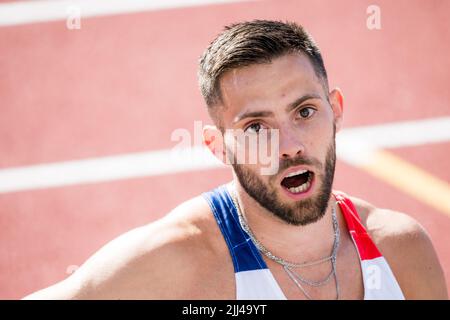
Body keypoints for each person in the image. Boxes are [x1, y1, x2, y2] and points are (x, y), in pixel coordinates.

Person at [24, 20, 447, 300]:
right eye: (256, 128)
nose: (289, 145)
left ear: (335, 109)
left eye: (304, 111)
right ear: (217, 145)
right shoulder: (176, 264)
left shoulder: (401, 250)